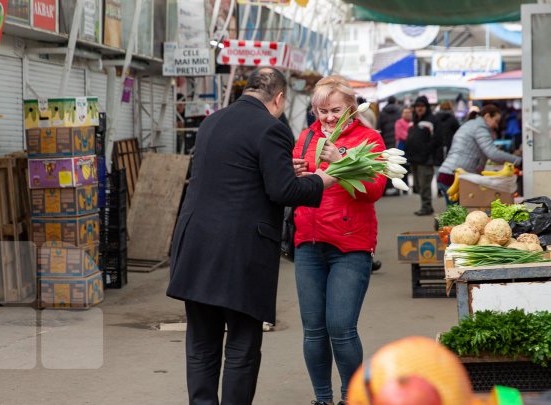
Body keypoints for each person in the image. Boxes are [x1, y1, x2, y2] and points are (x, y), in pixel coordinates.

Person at [167, 67, 337, 405]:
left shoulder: (211, 123)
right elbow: (282, 191)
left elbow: (235, 175)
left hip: (195, 245)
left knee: (201, 343)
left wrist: (284, 170)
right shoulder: (271, 129)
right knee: (242, 345)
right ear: (278, 99)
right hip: (238, 251)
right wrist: (324, 179)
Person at [292, 75, 386, 405]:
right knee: (313, 330)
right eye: (321, 111)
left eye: (335, 110)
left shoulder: (369, 138)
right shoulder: (305, 137)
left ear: (351, 108)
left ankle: (352, 397)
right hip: (308, 242)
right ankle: (322, 399)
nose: (328, 118)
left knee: (341, 328)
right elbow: (297, 188)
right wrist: (295, 173)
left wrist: (341, 160)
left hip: (350, 245)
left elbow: (374, 190)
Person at [437, 104, 522, 206]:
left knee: (455, 213)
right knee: (457, 216)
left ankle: (440, 222)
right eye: (496, 121)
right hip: (453, 176)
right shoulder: (480, 127)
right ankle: (439, 221)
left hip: (448, 173)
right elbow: (492, 153)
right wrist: (518, 160)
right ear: (487, 116)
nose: (496, 125)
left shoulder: (472, 124)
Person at [405, 96, 440, 216]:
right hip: (413, 158)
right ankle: (426, 206)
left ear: (426, 107)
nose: (419, 108)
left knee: (425, 185)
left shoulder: (432, 120)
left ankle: (426, 207)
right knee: (418, 186)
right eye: (417, 106)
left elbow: (437, 140)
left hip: (425, 159)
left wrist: (427, 152)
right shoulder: (413, 121)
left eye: (422, 106)